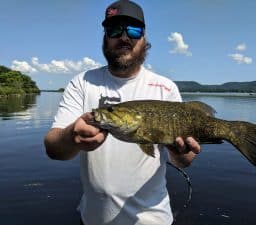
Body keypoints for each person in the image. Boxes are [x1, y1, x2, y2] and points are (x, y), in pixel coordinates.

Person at [44, 1, 201, 224]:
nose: (124, 37)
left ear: (144, 39)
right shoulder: (82, 82)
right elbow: (52, 148)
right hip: (92, 218)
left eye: (134, 30)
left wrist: (181, 152)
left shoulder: (166, 88)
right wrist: (72, 137)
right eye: (115, 30)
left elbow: (184, 161)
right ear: (105, 37)